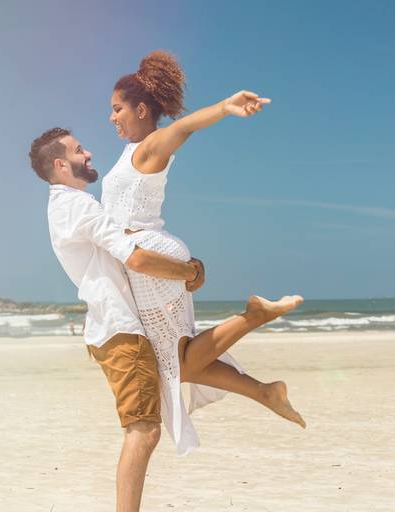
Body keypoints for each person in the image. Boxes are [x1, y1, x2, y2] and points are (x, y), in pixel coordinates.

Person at [103, 50, 305, 456]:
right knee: (182, 362)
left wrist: (225, 108)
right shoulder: (130, 153)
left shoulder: (149, 146)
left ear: (141, 109)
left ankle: (253, 319)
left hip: (149, 261)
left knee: (178, 364)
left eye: (117, 108)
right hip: (152, 258)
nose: (112, 117)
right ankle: (264, 390)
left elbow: (183, 129)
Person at [30, 127, 204, 512]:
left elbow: (125, 239)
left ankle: (262, 390)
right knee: (143, 430)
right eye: (79, 150)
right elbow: (135, 257)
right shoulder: (77, 207)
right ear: (61, 165)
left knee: (148, 424)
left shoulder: (67, 206)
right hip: (119, 328)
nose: (88, 153)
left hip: (113, 328)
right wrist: (188, 272)